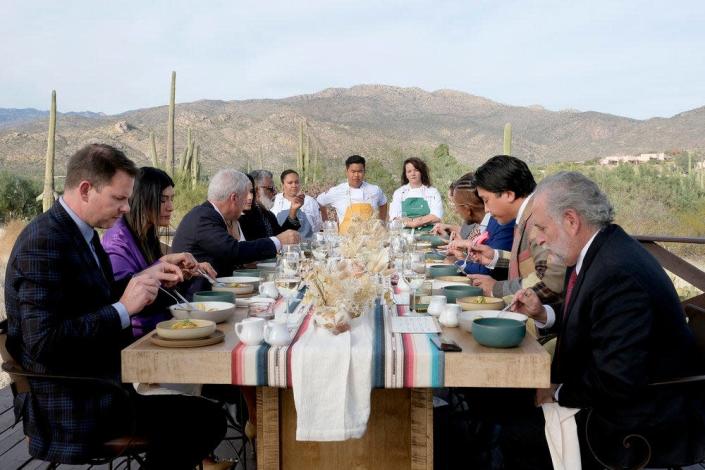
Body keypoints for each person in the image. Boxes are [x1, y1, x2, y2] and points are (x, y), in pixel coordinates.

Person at [4, 144, 226, 468]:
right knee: (205, 420)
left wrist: (152, 276)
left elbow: (102, 294)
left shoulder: (81, 232)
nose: (126, 208)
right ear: (85, 190)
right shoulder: (44, 241)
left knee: (200, 413)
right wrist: (123, 309)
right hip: (73, 403)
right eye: (119, 198)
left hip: (101, 387)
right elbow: (44, 342)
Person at [505, 171, 705, 469]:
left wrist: (557, 391)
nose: (537, 237)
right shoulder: (603, 248)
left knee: (507, 436)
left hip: (636, 427)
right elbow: (593, 322)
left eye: (542, 227)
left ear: (571, 221)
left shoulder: (617, 273)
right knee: (503, 413)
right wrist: (541, 313)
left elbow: (618, 379)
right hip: (618, 400)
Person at [101, 167, 217, 337]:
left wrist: (182, 275)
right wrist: (162, 268)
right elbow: (126, 295)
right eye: (163, 200)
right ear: (143, 199)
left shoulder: (147, 231)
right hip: (138, 335)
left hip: (162, 323)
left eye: (171, 199)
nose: (170, 207)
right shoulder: (117, 239)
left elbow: (157, 284)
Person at [172, 169, 300, 295]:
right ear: (234, 198)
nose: (248, 200)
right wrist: (278, 241)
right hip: (198, 299)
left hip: (219, 291)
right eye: (245, 196)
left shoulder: (212, 215)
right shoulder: (203, 217)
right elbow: (232, 250)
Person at [464, 155, 565, 303]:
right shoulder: (525, 216)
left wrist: (496, 288)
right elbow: (531, 260)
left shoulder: (538, 220)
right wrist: (495, 258)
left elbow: (550, 279)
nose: (486, 209)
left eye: (486, 200)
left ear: (509, 194)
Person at [446, 176, 515, 279]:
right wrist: (463, 256)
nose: (455, 211)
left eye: (456, 206)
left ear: (467, 209)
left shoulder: (502, 223)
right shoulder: (489, 223)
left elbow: (488, 271)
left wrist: (456, 262)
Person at [316, 155, 388, 234]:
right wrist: (326, 223)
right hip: (345, 242)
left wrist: (382, 223)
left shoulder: (375, 190)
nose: (356, 175)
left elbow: (383, 203)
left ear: (364, 172)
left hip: (371, 240)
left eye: (360, 171)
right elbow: (319, 202)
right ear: (347, 171)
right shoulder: (336, 191)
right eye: (353, 171)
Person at [239, 169, 301, 240]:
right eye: (270, 188)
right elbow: (251, 247)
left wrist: (293, 210)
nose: (274, 193)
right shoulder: (242, 216)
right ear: (256, 190)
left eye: (274, 188)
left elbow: (282, 237)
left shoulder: (269, 215)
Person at [388, 157, 443, 230]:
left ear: (421, 172)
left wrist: (413, 222)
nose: (413, 174)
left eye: (416, 170)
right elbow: (394, 217)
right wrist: (418, 221)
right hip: (404, 234)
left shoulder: (433, 192)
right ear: (406, 175)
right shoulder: (399, 193)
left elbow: (437, 216)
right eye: (409, 171)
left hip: (429, 233)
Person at [271, 169, 323, 237]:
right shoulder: (274, 201)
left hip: (307, 244)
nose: (294, 185)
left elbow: (317, 226)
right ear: (282, 185)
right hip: (282, 244)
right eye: (290, 183)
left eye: (297, 182)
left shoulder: (310, 202)